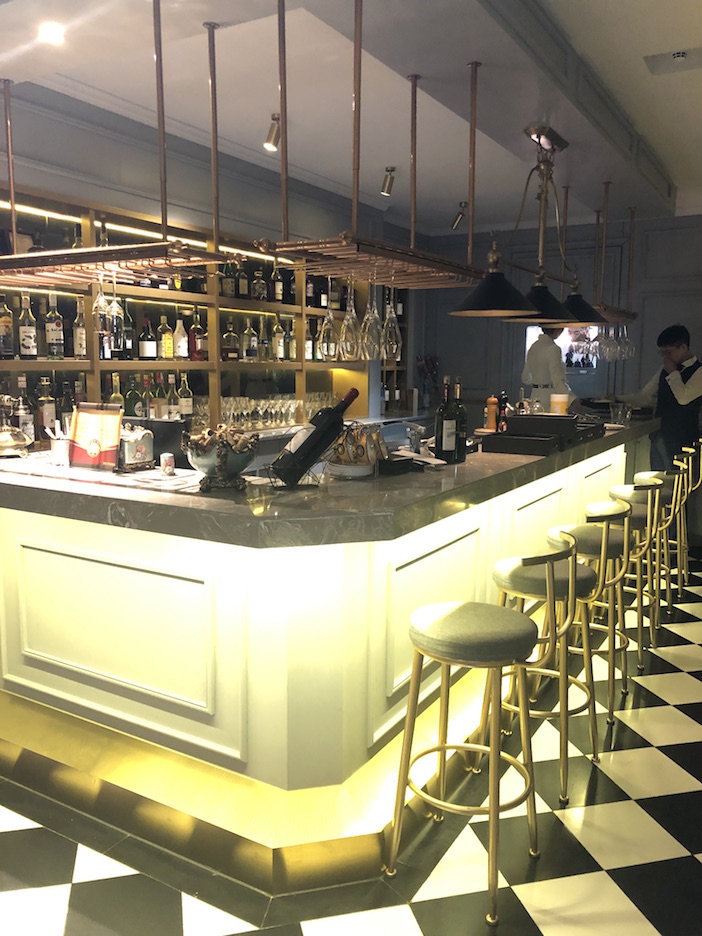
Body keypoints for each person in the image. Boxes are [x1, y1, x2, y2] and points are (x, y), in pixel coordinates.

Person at [620, 323, 702, 470]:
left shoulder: (698, 371)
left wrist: (673, 373)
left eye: (668, 352)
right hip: (659, 434)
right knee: (657, 477)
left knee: (676, 481)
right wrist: (618, 399)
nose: (665, 357)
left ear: (683, 347)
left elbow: (683, 398)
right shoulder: (666, 369)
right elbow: (645, 396)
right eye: (662, 353)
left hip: (683, 438)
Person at [521, 326, 576, 411]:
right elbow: (557, 380)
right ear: (558, 329)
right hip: (550, 398)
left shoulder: (533, 347)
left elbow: (525, 377)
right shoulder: (554, 349)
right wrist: (572, 399)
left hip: (534, 395)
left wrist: (538, 382)